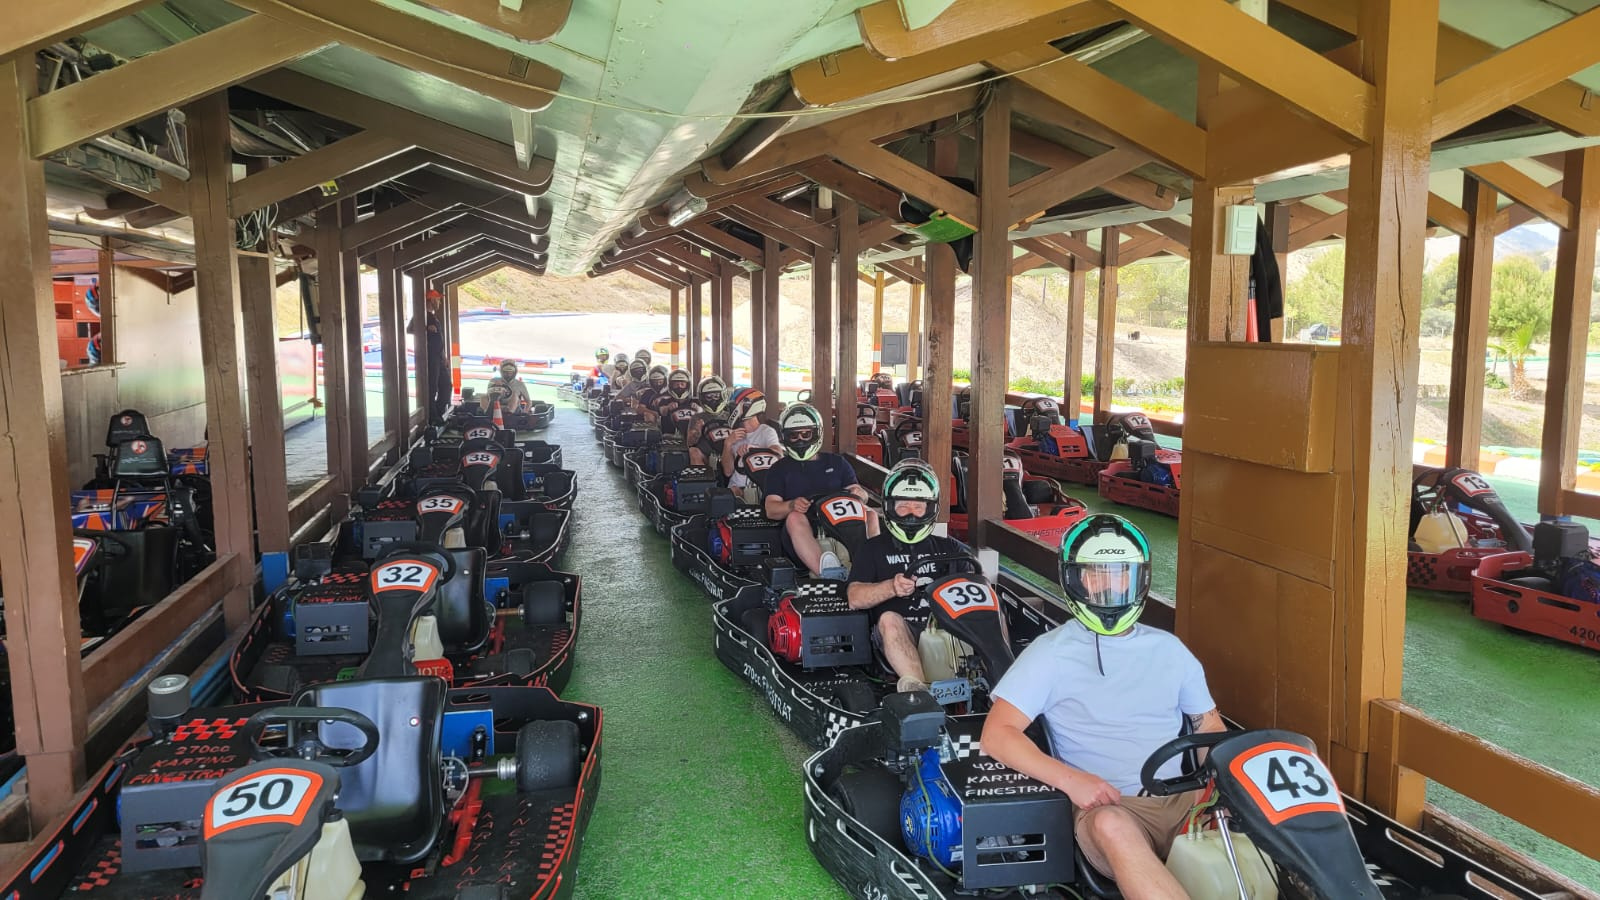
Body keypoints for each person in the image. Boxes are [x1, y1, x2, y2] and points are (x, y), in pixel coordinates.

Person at [979, 515, 1224, 899]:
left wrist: (1216, 786)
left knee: (1259, 819)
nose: (1109, 586)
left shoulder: (1170, 650)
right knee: (1112, 826)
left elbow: (1208, 724)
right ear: (1075, 581)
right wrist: (1072, 780)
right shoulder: (1051, 653)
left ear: (1138, 580)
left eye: (1120, 574)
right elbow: (997, 736)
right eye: (1095, 575)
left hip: (1184, 802)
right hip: (1107, 805)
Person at [846, 458, 965, 692]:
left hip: (947, 628)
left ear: (931, 508)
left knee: (995, 611)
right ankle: (921, 696)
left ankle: (1002, 686)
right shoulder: (873, 549)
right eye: (903, 506)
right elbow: (853, 596)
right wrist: (891, 587)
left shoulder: (951, 549)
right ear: (890, 507)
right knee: (889, 619)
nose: (911, 515)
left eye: (918, 507)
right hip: (901, 632)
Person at [762, 402, 879, 578]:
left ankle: (872, 567)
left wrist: (859, 494)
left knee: (870, 514)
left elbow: (857, 491)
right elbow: (771, 509)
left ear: (816, 433)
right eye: (794, 436)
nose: (800, 440)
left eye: (806, 434)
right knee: (794, 518)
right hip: (802, 529)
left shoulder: (837, 463)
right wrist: (791, 505)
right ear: (785, 437)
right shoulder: (779, 469)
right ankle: (828, 573)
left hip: (841, 525)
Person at [722, 388, 780, 501]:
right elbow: (728, 472)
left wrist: (754, 451)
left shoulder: (766, 431)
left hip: (759, 487)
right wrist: (727, 444)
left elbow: (778, 453)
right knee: (733, 493)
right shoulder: (733, 434)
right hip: (737, 487)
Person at [419, 290, 451, 422]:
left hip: (438, 356)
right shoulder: (422, 316)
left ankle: (438, 412)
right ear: (431, 300)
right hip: (430, 357)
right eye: (438, 299)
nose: (440, 302)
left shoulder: (433, 316)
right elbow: (410, 329)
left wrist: (444, 357)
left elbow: (439, 339)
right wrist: (425, 328)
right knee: (432, 387)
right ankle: (432, 416)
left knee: (446, 385)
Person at [685, 375, 730, 466]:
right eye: (709, 397)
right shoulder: (697, 417)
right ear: (703, 398)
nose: (713, 400)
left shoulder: (731, 414)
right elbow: (689, 442)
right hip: (708, 455)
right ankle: (703, 479)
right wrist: (697, 430)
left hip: (729, 452)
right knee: (693, 451)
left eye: (716, 396)